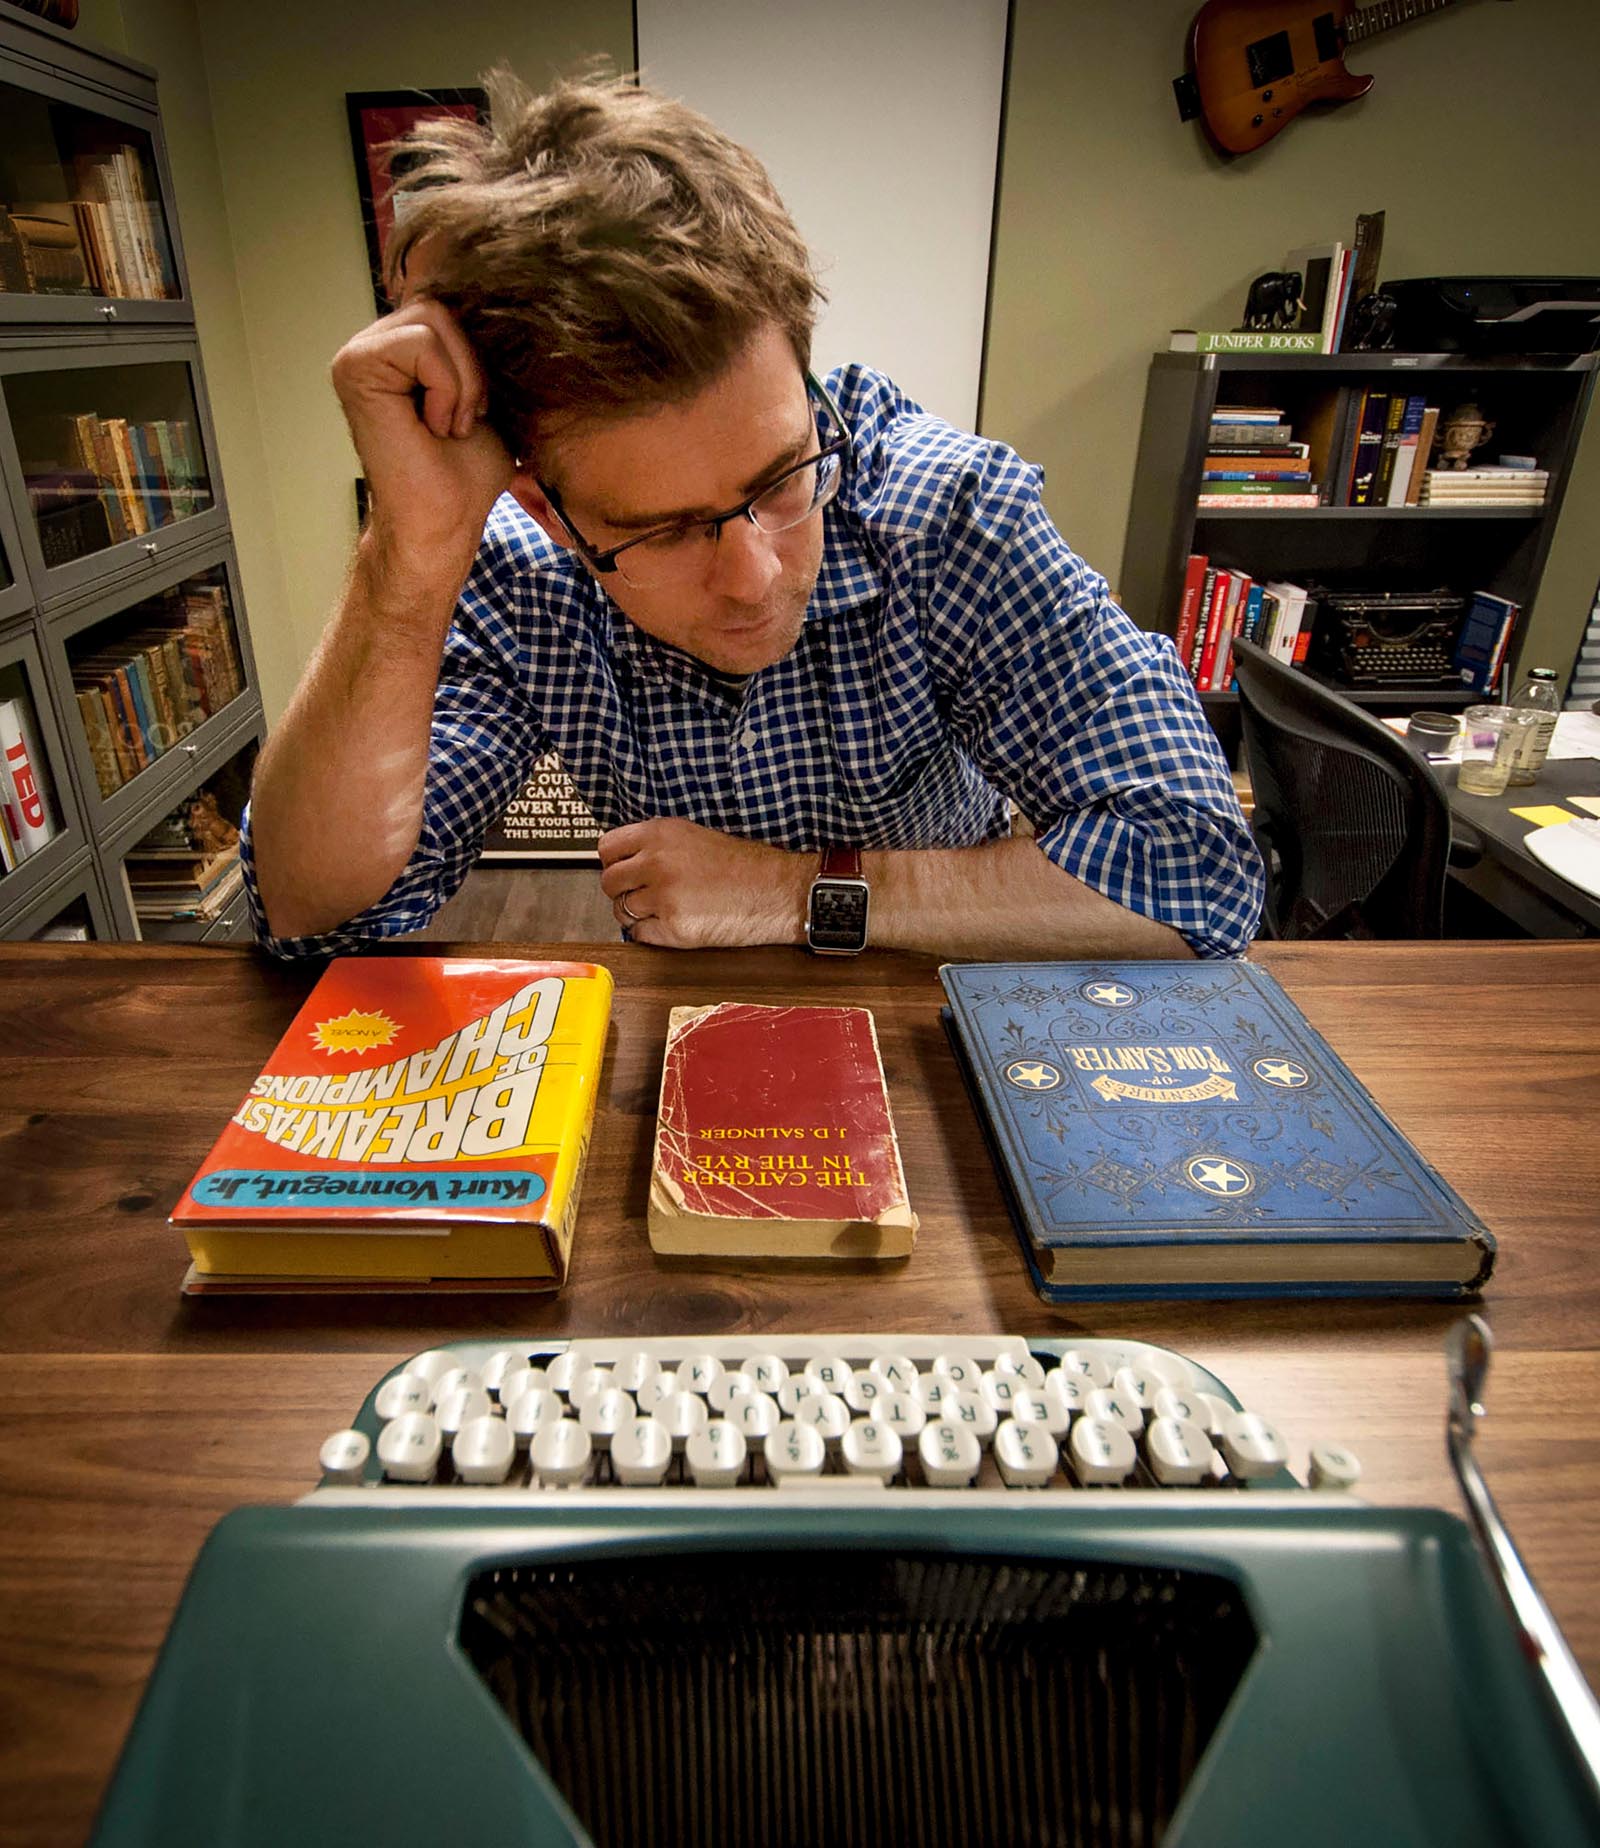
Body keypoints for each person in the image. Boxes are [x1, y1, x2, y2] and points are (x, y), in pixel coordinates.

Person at [244, 70, 1263, 962]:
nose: (755, 576)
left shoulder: (949, 512)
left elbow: (1196, 869)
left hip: (947, 995)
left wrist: (790, 891)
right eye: (661, 529)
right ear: (542, 506)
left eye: (782, 478)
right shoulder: (516, 568)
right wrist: (412, 550)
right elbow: (311, 917)